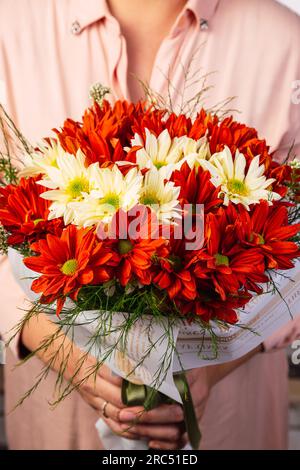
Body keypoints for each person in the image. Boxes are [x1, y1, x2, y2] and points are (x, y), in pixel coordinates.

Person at [0, 0, 300, 450]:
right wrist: (59, 349)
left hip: (232, 418)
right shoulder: (10, 29)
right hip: (60, 423)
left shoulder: (285, 40)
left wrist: (214, 365)